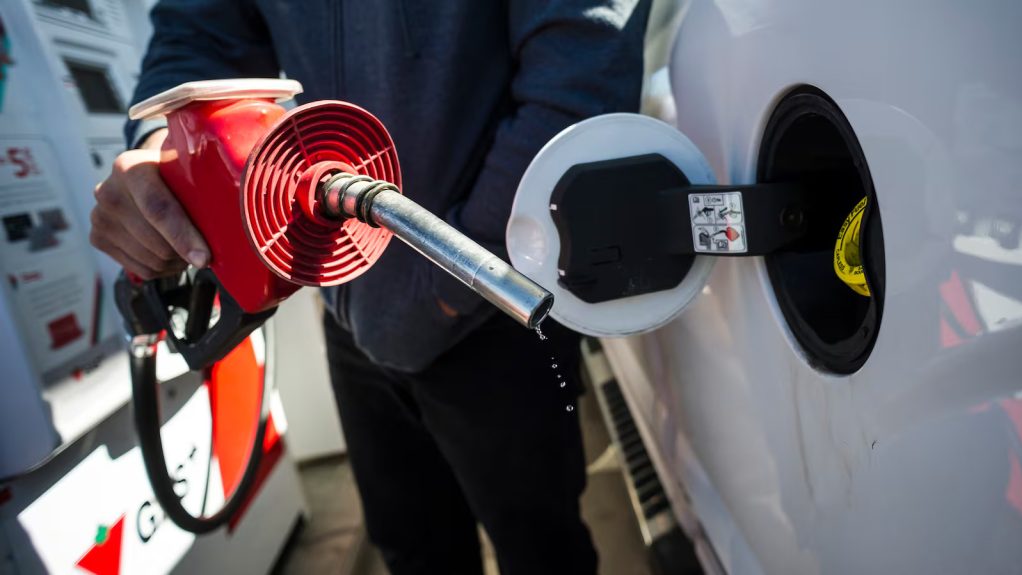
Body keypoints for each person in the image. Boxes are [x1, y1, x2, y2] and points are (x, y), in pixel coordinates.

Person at [90, 1, 651, 573]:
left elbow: (583, 71)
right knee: (413, 549)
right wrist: (163, 148)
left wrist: (443, 284)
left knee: (541, 548)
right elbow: (197, 36)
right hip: (349, 311)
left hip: (490, 303)